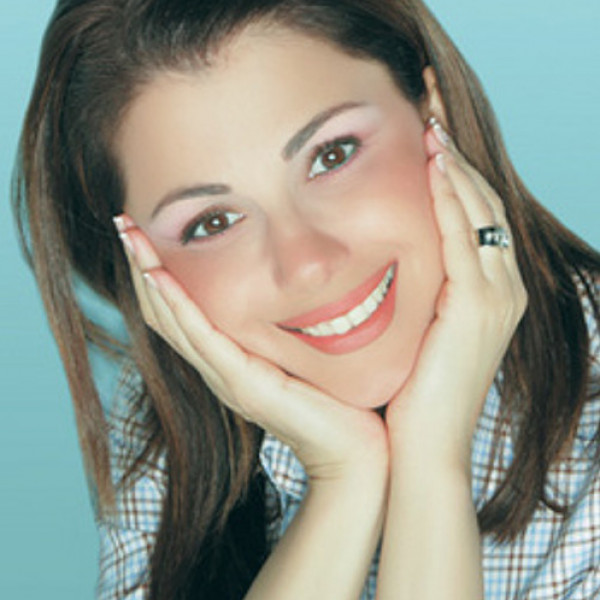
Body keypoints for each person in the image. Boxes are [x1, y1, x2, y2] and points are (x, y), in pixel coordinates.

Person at [13, 0, 599, 598]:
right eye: (213, 222)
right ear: (141, 262)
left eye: (332, 155)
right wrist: (343, 476)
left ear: (432, 111)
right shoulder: (167, 426)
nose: (307, 264)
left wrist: (432, 451)